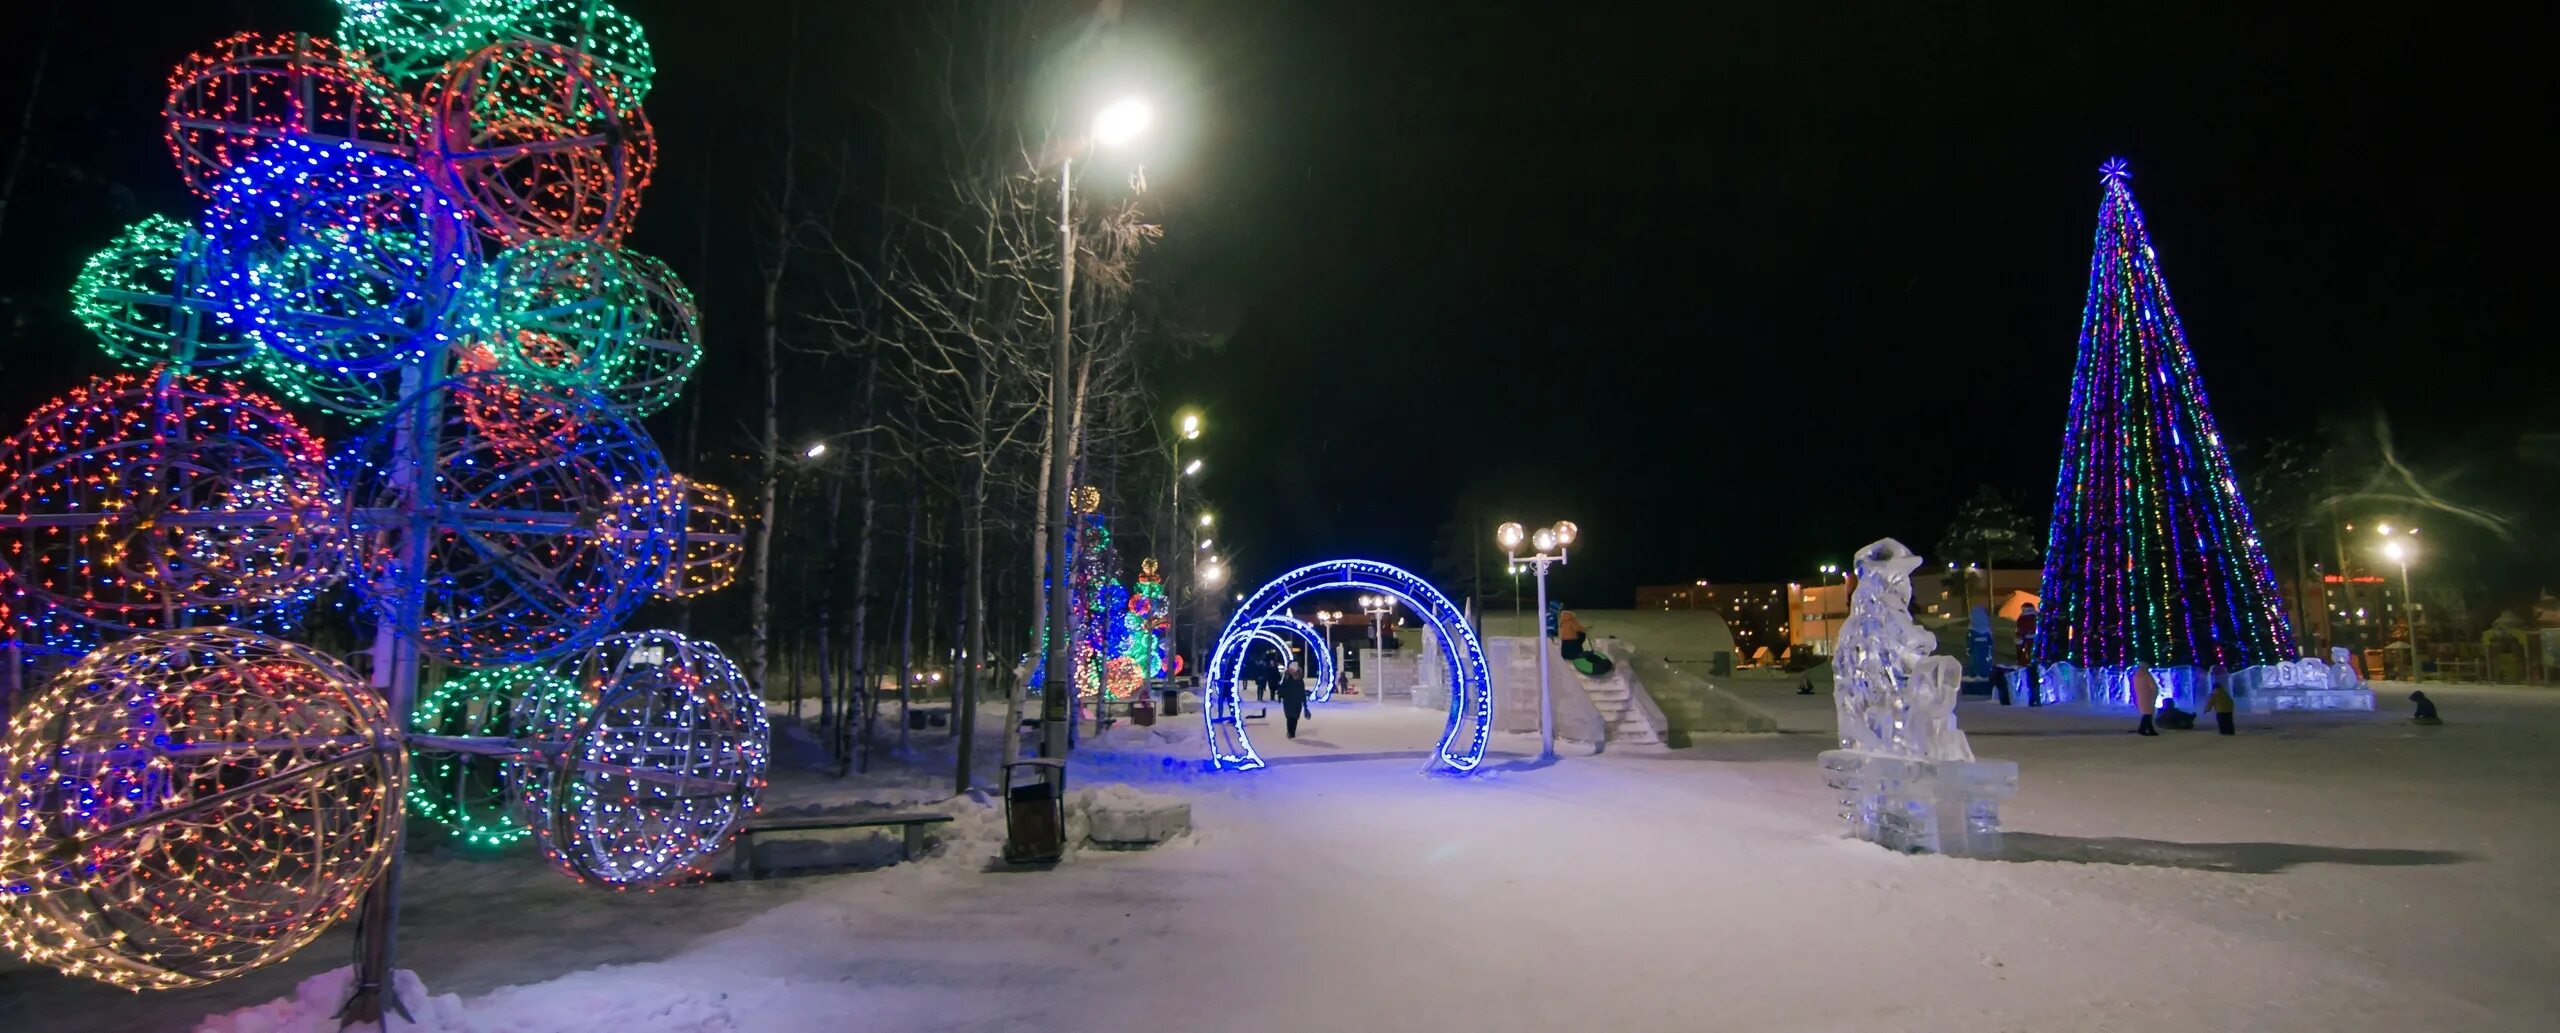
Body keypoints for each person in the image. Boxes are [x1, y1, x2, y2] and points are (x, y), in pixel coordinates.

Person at [1556, 611, 1616, 677]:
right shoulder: (1573, 621)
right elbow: (1579, 629)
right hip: (1574, 646)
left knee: (1570, 647)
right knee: (1580, 640)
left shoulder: (1563, 623)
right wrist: (1585, 629)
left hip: (1565, 645)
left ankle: (1568, 657)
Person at [1276, 662, 1310, 739]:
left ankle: (1292, 732)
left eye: (1292, 669)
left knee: (1294, 718)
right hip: (1288, 701)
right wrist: (1280, 693)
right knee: (1289, 717)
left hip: (1297, 702)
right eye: (1290, 669)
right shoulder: (1286, 677)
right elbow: (1283, 687)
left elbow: (1302, 692)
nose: (1291, 670)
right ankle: (1290, 732)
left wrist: (1305, 705)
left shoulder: (1299, 680)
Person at [2131, 666, 2159, 736]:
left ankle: (2145, 728)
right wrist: (2155, 693)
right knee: (2148, 713)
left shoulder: (2136, 676)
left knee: (2146, 713)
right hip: (2148, 696)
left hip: (2140, 696)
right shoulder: (2147, 675)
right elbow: (2153, 686)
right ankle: (2146, 729)